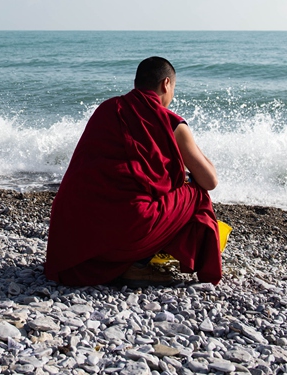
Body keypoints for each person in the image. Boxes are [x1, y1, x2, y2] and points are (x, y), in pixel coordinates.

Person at [44, 57, 222, 287]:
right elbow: (210, 181)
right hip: (125, 234)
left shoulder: (108, 109)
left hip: (75, 235)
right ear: (166, 84)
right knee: (196, 193)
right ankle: (137, 266)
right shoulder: (170, 122)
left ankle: (125, 262)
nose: (172, 96)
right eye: (174, 89)